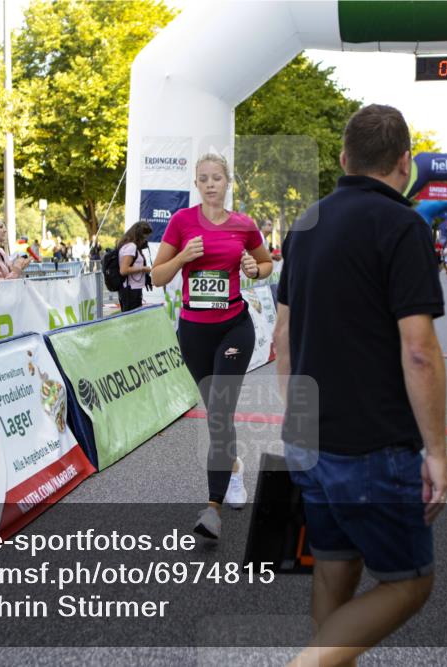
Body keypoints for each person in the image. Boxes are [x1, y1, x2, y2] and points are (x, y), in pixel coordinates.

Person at [275, 104, 447, 667]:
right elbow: (419, 350)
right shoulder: (403, 226)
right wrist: (438, 452)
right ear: (405, 163)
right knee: (409, 582)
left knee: (335, 565)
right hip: (372, 444)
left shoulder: (305, 225)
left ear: (344, 158)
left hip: (309, 436)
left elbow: (282, 336)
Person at [151, 153, 273, 539]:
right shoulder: (181, 222)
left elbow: (266, 264)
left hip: (234, 328)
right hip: (194, 332)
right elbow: (156, 276)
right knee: (216, 412)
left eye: (216, 178)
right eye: (202, 178)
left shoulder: (243, 224)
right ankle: (233, 468)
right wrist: (183, 256)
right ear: (196, 184)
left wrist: (254, 269)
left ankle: (212, 509)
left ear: (227, 182)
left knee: (220, 413)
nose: (209, 184)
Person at [116, 221, 153, 313]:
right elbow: (123, 270)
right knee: (132, 318)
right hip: (131, 290)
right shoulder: (131, 247)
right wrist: (143, 268)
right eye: (144, 237)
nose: (145, 240)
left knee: (132, 317)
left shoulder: (129, 245)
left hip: (131, 288)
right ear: (139, 235)